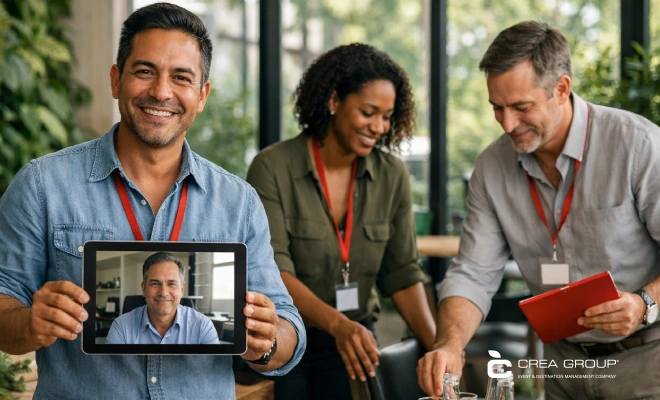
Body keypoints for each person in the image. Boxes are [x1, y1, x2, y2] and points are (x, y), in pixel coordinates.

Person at [0, 3, 306, 398]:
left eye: (181, 77)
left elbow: (288, 330)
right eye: (144, 71)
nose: (161, 92)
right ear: (116, 80)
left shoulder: (239, 202)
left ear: (202, 95)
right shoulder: (43, 184)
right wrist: (29, 323)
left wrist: (266, 342)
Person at [417, 21, 660, 399]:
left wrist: (644, 304)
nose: (508, 124)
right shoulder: (491, 167)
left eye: (521, 107)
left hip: (646, 361)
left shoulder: (638, 146)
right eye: (497, 108)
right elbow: (473, 274)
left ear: (561, 89)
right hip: (562, 364)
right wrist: (449, 344)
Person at [246, 43, 436, 399]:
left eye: (387, 116)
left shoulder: (392, 175)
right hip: (290, 336)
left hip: (356, 339)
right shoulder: (272, 168)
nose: (379, 126)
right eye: (368, 112)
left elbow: (402, 272)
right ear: (334, 101)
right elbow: (274, 272)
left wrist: (441, 348)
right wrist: (338, 324)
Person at [106, 252, 219, 345]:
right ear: (143, 288)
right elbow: (111, 370)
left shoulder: (203, 326)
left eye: (171, 283)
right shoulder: (121, 326)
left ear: (182, 289)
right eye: (155, 283)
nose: (163, 292)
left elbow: (213, 371)